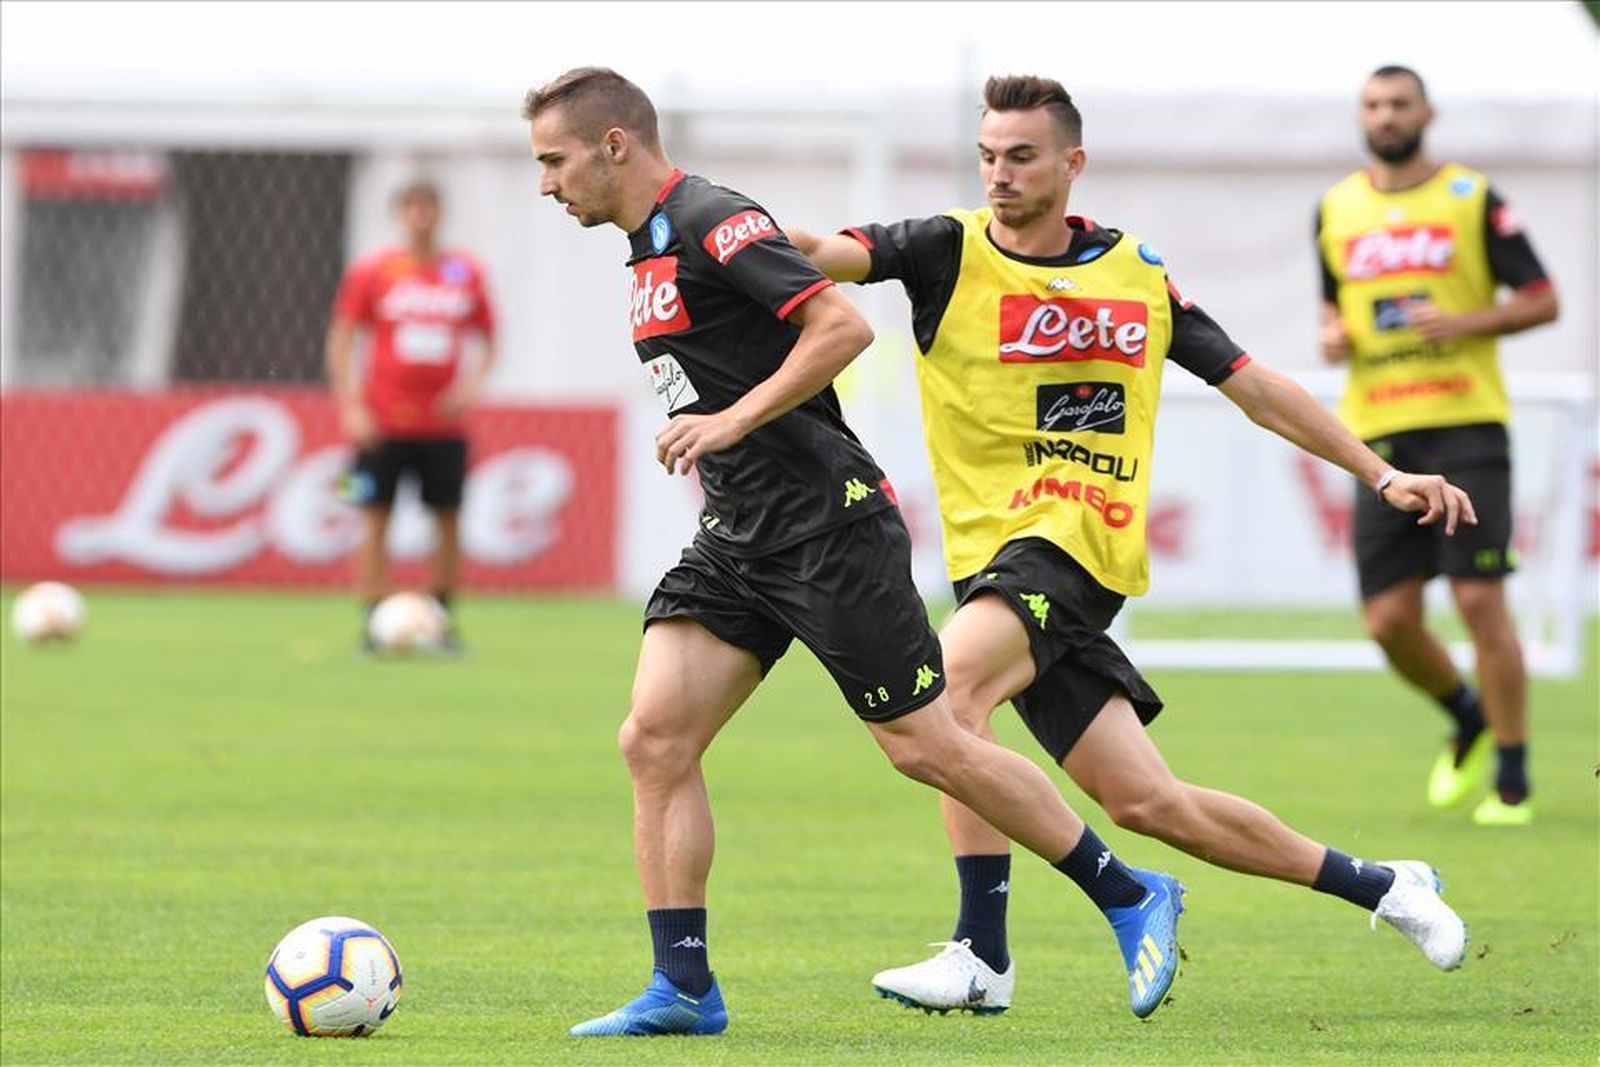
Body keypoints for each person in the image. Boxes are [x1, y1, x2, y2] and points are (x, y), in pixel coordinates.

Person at [525, 66, 1194, 1037]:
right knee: (654, 737)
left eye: (554, 160)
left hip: (827, 525)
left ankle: (1130, 892)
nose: (546, 184)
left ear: (613, 144)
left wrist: (732, 419)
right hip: (739, 534)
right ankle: (683, 986)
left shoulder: (714, 219)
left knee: (923, 743)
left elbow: (841, 325)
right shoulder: (648, 247)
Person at [787, 73, 1476, 1016]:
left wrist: (1380, 471)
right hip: (992, 559)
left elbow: (1254, 384)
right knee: (1152, 804)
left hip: (1076, 542)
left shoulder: (1135, 273)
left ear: (1073, 163)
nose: (999, 173)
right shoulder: (943, 247)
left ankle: (983, 952)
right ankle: (1387, 885)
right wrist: (728, 229)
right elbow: (825, 251)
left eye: (1021, 156)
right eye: (988, 154)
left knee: (944, 703)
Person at [1317, 65, 1558, 827]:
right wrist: (1332, 333)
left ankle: (1512, 776)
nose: (1386, 116)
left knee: (1480, 598)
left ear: (1427, 112)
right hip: (1380, 431)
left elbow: (1543, 298)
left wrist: (1465, 324)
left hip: (1465, 422)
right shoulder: (1336, 206)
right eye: (1374, 105)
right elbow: (1333, 310)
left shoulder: (1471, 197)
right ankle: (1467, 712)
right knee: (1386, 621)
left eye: (1399, 104)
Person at [325, 180, 499, 652]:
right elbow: (343, 339)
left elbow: (489, 339)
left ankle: (441, 616)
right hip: (381, 424)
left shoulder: (464, 273)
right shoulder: (374, 272)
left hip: (444, 426)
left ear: (440, 214)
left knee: (447, 518)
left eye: (429, 207)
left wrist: (471, 388)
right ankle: (372, 620)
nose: (421, 217)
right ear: (399, 214)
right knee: (373, 514)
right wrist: (352, 407)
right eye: (412, 208)